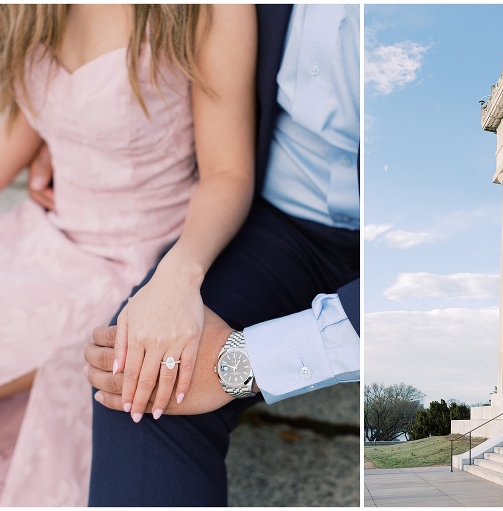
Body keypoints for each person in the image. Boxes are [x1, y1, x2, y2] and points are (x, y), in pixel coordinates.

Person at [75, 4, 360, 506]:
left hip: (400, 240)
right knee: (142, 381)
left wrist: (243, 360)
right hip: (279, 221)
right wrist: (177, 276)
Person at [0, 5, 258, 505]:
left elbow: (227, 173)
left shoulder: (211, 10)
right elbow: (19, 126)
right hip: (40, 237)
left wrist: (179, 277)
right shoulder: (23, 9)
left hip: (134, 261)